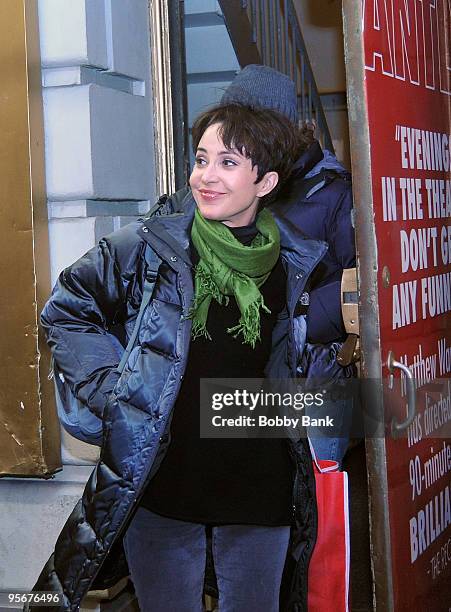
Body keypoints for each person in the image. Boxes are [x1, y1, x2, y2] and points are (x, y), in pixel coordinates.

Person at [29, 103, 326, 611]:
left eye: (228, 163)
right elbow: (66, 310)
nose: (205, 176)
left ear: (266, 182)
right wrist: (116, 392)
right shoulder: (150, 247)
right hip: (164, 486)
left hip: (260, 483)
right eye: (201, 158)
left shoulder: (291, 262)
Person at [220, 65, 357, 465]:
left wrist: (287, 319)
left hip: (314, 379)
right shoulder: (229, 188)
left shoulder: (335, 193)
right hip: (245, 380)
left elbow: (358, 287)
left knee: (317, 500)